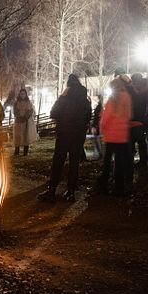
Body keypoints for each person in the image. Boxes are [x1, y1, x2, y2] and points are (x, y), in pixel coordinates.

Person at [37, 74, 92, 203]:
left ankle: (52, 190)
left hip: (64, 133)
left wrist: (62, 96)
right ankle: (71, 192)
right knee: (74, 163)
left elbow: (53, 113)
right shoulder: (85, 100)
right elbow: (88, 117)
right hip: (78, 135)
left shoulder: (65, 98)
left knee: (58, 162)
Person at [96, 76, 134, 196]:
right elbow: (129, 115)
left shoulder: (113, 100)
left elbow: (106, 118)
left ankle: (104, 184)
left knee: (107, 161)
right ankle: (119, 187)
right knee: (120, 161)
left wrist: (101, 130)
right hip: (122, 135)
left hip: (111, 135)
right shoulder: (127, 97)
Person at [127, 72, 148, 169]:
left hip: (131, 119)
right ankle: (143, 162)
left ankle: (129, 161)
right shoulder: (146, 89)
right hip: (142, 120)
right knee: (142, 142)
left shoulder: (130, 90)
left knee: (131, 142)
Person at [12, 88, 37, 156]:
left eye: (23, 94)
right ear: (19, 94)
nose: (22, 95)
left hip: (26, 121)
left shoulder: (29, 102)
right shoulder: (16, 103)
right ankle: (17, 151)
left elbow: (31, 110)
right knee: (18, 136)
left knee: (26, 135)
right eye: (21, 94)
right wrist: (19, 117)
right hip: (18, 121)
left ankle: (25, 152)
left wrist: (25, 117)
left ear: (25, 94)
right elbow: (15, 111)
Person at [91, 95, 103, 161]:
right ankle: (100, 153)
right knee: (98, 140)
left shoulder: (99, 107)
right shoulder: (100, 106)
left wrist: (94, 125)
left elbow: (97, 117)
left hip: (98, 125)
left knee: (97, 140)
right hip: (99, 125)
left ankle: (100, 154)